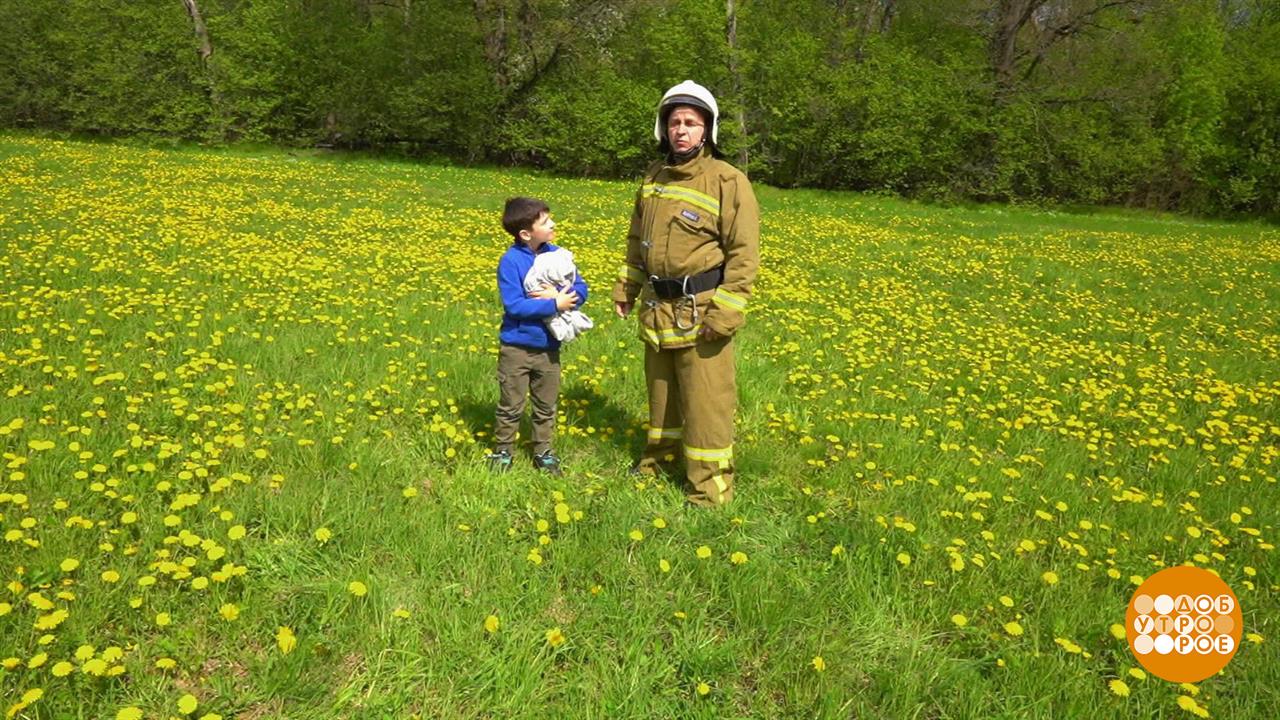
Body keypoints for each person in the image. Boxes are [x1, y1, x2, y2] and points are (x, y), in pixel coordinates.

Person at [611, 80, 760, 506]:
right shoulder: (654, 178)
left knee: (706, 406)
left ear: (707, 130)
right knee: (661, 398)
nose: (681, 130)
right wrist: (628, 286)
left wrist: (725, 314)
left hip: (703, 316)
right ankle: (656, 464)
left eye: (691, 123)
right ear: (663, 128)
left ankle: (708, 493)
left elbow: (744, 256)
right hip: (658, 311)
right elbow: (638, 237)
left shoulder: (728, 182)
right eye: (674, 122)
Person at [487, 197, 588, 476]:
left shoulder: (559, 256)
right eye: (545, 221)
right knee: (511, 404)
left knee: (546, 404)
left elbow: (581, 288)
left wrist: (562, 297)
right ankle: (503, 451)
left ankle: (543, 451)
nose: (553, 224)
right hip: (516, 348)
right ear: (525, 233)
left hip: (548, 348)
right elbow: (515, 305)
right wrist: (553, 305)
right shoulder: (511, 262)